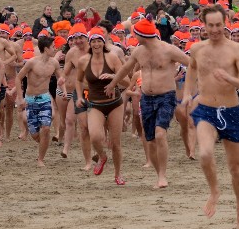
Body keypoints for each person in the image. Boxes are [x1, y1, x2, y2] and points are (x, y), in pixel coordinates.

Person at [184, 6, 239, 229]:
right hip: (206, 110)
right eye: (210, 25)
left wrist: (229, 78)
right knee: (205, 153)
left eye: (218, 25)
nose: (215, 30)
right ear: (203, 26)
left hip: (232, 111)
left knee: (236, 169)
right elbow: (191, 71)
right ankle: (214, 190)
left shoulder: (236, 51)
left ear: (225, 23)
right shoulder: (197, 49)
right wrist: (187, 93)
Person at [106, 18, 190, 189]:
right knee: (149, 138)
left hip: (166, 95)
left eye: (135, 33)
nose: (133, 35)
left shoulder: (169, 50)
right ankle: (159, 174)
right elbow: (126, 69)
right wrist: (113, 83)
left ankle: (163, 176)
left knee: (160, 134)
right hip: (146, 97)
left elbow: (193, 63)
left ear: (142, 34)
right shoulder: (138, 51)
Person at [76, 28, 127, 184]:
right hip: (95, 103)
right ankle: (102, 157)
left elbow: (126, 81)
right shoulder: (83, 61)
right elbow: (78, 80)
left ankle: (118, 174)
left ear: (103, 42)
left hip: (114, 104)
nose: (96, 44)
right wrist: (79, 97)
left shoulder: (111, 58)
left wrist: (113, 76)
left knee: (116, 143)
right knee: (95, 136)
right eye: (93, 41)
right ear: (89, 43)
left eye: (99, 41)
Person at [16, 36, 62, 167]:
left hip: (45, 99)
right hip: (30, 100)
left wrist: (63, 88)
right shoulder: (31, 62)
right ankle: (43, 142)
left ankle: (40, 159)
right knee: (36, 135)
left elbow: (60, 77)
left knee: (46, 129)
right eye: (53, 47)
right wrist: (20, 99)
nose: (55, 49)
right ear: (46, 49)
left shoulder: (54, 63)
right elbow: (18, 78)